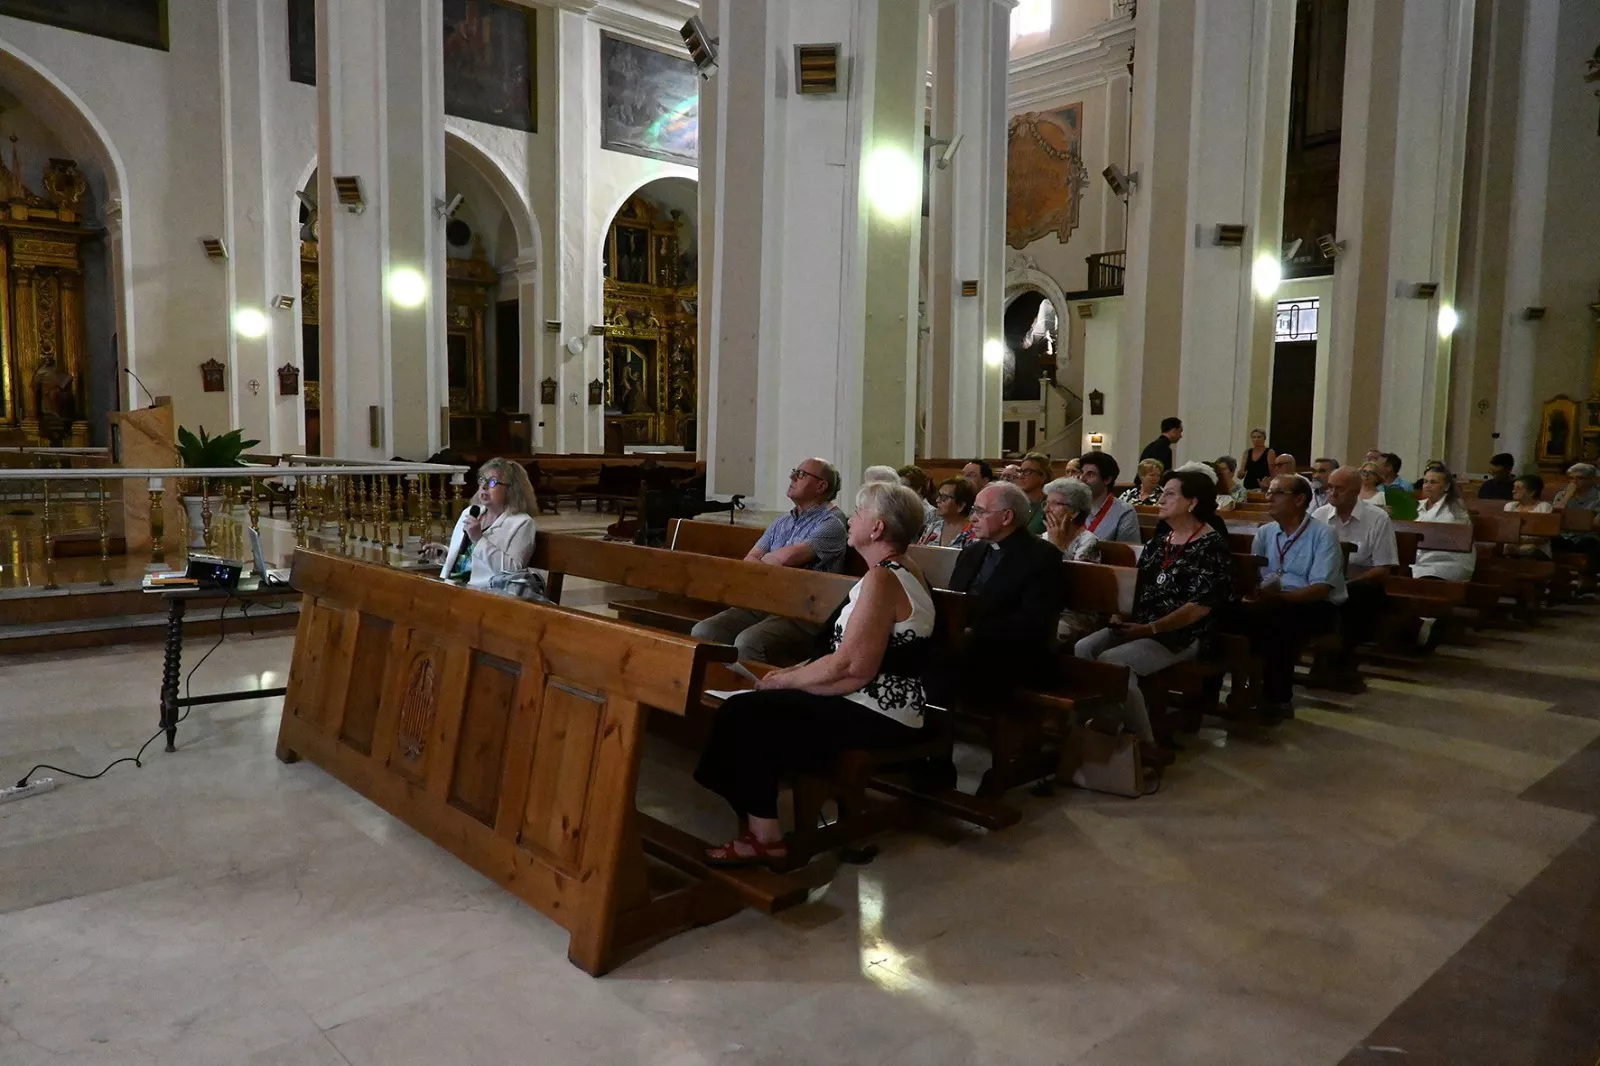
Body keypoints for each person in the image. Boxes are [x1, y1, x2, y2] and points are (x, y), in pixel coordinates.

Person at [693, 483, 935, 866]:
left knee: (748, 714)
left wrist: (783, 681)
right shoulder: (898, 568)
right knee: (751, 709)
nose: (850, 518)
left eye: (858, 512)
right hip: (868, 698)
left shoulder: (883, 578)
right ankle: (763, 827)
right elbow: (843, 655)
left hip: (879, 710)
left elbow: (851, 667)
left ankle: (765, 837)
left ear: (876, 529)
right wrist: (793, 673)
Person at [1075, 470, 1233, 755]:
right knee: (1084, 649)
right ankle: (1105, 729)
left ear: (1192, 502)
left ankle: (1144, 744)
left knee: (1114, 662)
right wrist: (1119, 614)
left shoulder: (1211, 546)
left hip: (1182, 635)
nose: (1160, 499)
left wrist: (1150, 629)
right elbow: (1137, 586)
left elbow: (1200, 606)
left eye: (1170, 493)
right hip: (1141, 625)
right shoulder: (1161, 542)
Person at [691, 458, 848, 665]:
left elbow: (785, 559)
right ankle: (713, 689)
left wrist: (768, 560)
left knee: (748, 642)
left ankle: (753, 695)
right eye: (794, 472)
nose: (792, 477)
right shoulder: (782, 521)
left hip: (805, 614)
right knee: (704, 631)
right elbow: (749, 562)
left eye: (801, 475)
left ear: (821, 486)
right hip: (765, 603)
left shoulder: (832, 523)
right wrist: (770, 560)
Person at [943, 482, 1067, 696]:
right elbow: (955, 599)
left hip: (1012, 655)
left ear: (1007, 517)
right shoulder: (972, 551)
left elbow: (1033, 621)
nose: (972, 518)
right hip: (965, 643)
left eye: (980, 511)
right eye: (973, 510)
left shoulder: (1042, 557)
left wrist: (973, 633)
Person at [1249, 474, 1348, 718]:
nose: (1269, 497)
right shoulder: (1265, 533)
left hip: (1315, 605)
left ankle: (1278, 697)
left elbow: (1321, 588)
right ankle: (1241, 687)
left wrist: (1279, 598)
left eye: (1277, 493)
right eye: (1268, 492)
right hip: (1272, 601)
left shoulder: (1322, 534)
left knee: (1280, 620)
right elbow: (1253, 574)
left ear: (1299, 499)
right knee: (1232, 613)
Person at [1313, 466, 1399, 684]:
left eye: (1339, 489)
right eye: (1330, 487)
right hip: (1324, 580)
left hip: (1362, 583)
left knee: (1355, 597)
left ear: (1355, 491)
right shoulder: (1319, 515)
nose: (1332, 493)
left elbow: (1383, 568)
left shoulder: (1377, 518)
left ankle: (1341, 661)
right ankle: (1319, 657)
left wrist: (1347, 583)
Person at [427, 458, 538, 593]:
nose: (484, 486)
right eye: (482, 480)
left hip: (486, 593)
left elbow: (512, 571)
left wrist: (479, 539)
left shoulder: (522, 523)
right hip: (452, 586)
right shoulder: (470, 512)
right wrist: (444, 552)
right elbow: (466, 560)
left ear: (512, 489)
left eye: (492, 482)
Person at [1410, 465, 1474, 581]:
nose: (1427, 486)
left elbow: (1442, 537)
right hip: (1419, 561)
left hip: (1447, 562)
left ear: (1446, 486)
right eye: (1425, 482)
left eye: (1433, 482)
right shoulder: (1416, 506)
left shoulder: (1456, 508)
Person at [1075, 452, 1141, 543]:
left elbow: (1128, 552)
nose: (1082, 479)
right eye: (1082, 473)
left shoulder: (1124, 512)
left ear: (1107, 480)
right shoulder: (1073, 507)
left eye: (1090, 475)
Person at [1041, 477, 1101, 561]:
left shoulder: (1088, 542)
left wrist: (1057, 547)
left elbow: (1075, 573)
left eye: (1055, 503)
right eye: (1046, 503)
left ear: (1074, 512)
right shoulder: (1045, 536)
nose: (1046, 509)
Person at [1551, 462, 1599, 560]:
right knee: (1550, 541)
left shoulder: (1598, 496)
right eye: (1571, 478)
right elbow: (1554, 518)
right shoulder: (1562, 495)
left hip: (1588, 537)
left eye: (1579, 478)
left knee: (1589, 544)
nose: (1574, 482)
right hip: (1565, 536)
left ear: (1592, 479)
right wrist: (1567, 496)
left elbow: (1595, 524)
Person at [1504, 474, 1552, 558]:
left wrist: (1519, 541)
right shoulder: (1509, 506)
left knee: (1528, 550)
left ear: (1532, 492)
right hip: (1511, 547)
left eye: (1518, 488)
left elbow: (1544, 537)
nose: (1513, 491)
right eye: (1513, 487)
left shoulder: (1544, 507)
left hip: (1537, 550)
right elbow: (1505, 531)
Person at [918, 476, 975, 548]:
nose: (937, 500)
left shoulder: (973, 533)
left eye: (944, 497)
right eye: (938, 495)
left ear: (961, 505)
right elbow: (918, 553)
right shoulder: (932, 528)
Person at [1014, 451, 1053, 535]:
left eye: (1027, 472)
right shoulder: (1015, 503)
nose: (1021, 476)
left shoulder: (1050, 507)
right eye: (1020, 471)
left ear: (1043, 476)